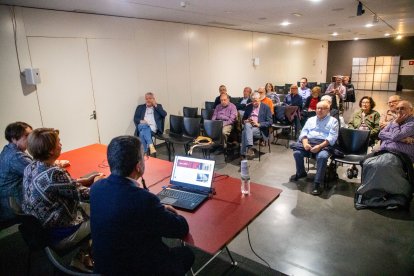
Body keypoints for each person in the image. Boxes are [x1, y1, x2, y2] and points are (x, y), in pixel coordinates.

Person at [90, 136, 194, 275]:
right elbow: (181, 229)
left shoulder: (96, 188)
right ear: (138, 166)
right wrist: (167, 212)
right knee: (187, 254)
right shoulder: (144, 200)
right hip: (137, 269)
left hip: (105, 268)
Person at [22, 128, 103, 271]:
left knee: (90, 208)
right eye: (59, 142)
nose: (61, 144)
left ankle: (84, 255)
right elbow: (87, 195)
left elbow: (60, 187)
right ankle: (85, 256)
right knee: (105, 214)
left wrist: (83, 180)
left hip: (40, 227)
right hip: (58, 233)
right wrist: (97, 181)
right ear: (51, 150)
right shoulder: (54, 173)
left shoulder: (31, 167)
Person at [291, 101, 339, 195]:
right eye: (318, 108)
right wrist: (305, 144)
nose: (319, 110)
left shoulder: (333, 121)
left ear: (328, 110)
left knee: (322, 157)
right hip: (309, 143)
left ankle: (318, 183)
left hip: (324, 144)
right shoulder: (310, 120)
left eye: (322, 108)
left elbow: (332, 137)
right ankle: (301, 172)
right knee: (297, 153)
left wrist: (320, 146)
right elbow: (303, 133)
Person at [0, 122, 32, 221]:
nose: (31, 139)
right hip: (13, 205)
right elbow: (39, 173)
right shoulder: (16, 156)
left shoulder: (9, 149)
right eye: (26, 136)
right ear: (14, 139)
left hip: (7, 202)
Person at [240, 92, 272, 158]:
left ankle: (244, 153)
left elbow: (270, 122)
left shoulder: (266, 107)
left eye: (256, 101)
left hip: (260, 129)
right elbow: (244, 119)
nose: (254, 103)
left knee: (244, 132)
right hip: (250, 127)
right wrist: (245, 121)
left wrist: (259, 124)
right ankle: (249, 148)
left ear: (259, 99)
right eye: (253, 101)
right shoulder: (249, 107)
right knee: (247, 125)